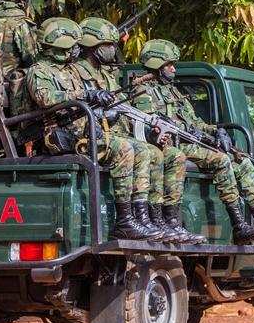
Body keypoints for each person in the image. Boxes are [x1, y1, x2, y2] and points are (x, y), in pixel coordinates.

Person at [133, 39, 254, 245]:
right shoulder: (143, 91)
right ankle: (239, 225)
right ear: (157, 64)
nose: (174, 69)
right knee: (221, 160)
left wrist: (217, 131)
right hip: (172, 145)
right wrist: (190, 131)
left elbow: (196, 123)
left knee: (244, 163)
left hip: (189, 141)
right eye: (170, 64)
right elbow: (152, 124)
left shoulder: (173, 92)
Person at [68, 17, 202, 244]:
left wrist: (153, 126)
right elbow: (75, 105)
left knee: (159, 153)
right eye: (108, 46)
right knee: (137, 150)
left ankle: (154, 220)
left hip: (114, 131)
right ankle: (126, 221)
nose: (113, 50)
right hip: (93, 133)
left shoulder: (106, 75)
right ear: (92, 46)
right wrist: (97, 105)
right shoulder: (76, 73)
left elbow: (125, 110)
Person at [25, 17, 156, 241]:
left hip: (85, 133)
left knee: (144, 150)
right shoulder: (40, 70)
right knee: (124, 149)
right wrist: (84, 95)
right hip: (63, 137)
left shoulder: (70, 70)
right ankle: (124, 221)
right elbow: (44, 98)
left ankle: (140, 217)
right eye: (74, 44)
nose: (78, 48)